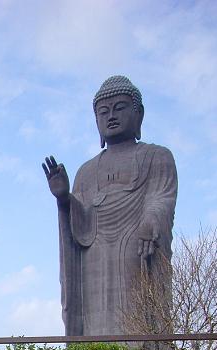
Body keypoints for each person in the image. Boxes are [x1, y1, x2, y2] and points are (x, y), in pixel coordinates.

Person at [42, 75, 177, 336]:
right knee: (95, 319)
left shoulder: (157, 156)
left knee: (137, 319)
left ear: (138, 115)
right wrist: (64, 199)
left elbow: (161, 197)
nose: (111, 116)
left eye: (120, 108)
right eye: (103, 112)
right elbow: (80, 224)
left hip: (137, 248)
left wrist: (150, 220)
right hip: (94, 255)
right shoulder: (86, 171)